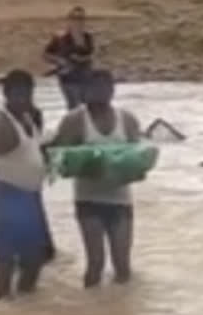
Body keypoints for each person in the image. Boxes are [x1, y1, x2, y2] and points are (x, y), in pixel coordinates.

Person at [46, 69, 141, 288]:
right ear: (85, 91)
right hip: (88, 200)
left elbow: (138, 159)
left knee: (123, 266)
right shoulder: (75, 120)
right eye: (95, 88)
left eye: (105, 88)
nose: (100, 93)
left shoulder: (126, 119)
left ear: (113, 90)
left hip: (121, 200)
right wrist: (86, 166)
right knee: (95, 263)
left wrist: (129, 169)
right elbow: (58, 160)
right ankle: (90, 314)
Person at [0, 69, 53, 300]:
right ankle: (1, 307)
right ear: (6, 94)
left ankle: (22, 312)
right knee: (6, 263)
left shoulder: (32, 116)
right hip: (5, 196)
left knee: (36, 260)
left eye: (27, 94)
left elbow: (34, 149)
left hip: (30, 196)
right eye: (17, 95)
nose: (22, 100)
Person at [42, 5, 95, 110]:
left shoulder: (88, 37)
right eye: (74, 18)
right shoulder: (60, 38)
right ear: (69, 20)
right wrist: (60, 61)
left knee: (87, 107)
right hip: (68, 78)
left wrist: (83, 59)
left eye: (81, 18)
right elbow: (46, 54)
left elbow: (92, 54)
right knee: (74, 107)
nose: (78, 22)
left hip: (85, 77)